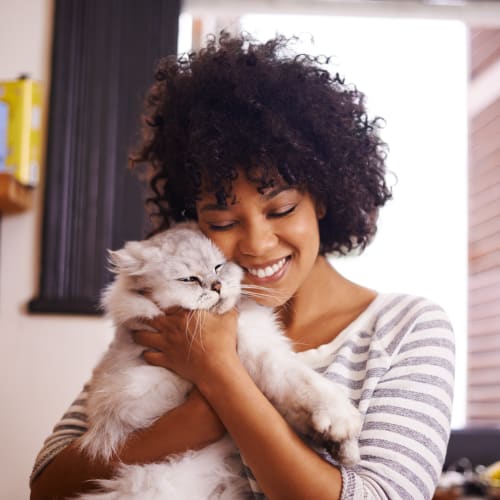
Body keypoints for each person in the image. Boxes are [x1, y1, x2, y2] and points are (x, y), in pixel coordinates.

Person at [30, 33, 455, 500]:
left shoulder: (408, 330)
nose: (256, 243)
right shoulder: (172, 321)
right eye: (224, 220)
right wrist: (200, 415)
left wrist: (219, 374)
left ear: (324, 199)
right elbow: (49, 483)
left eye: (281, 210)